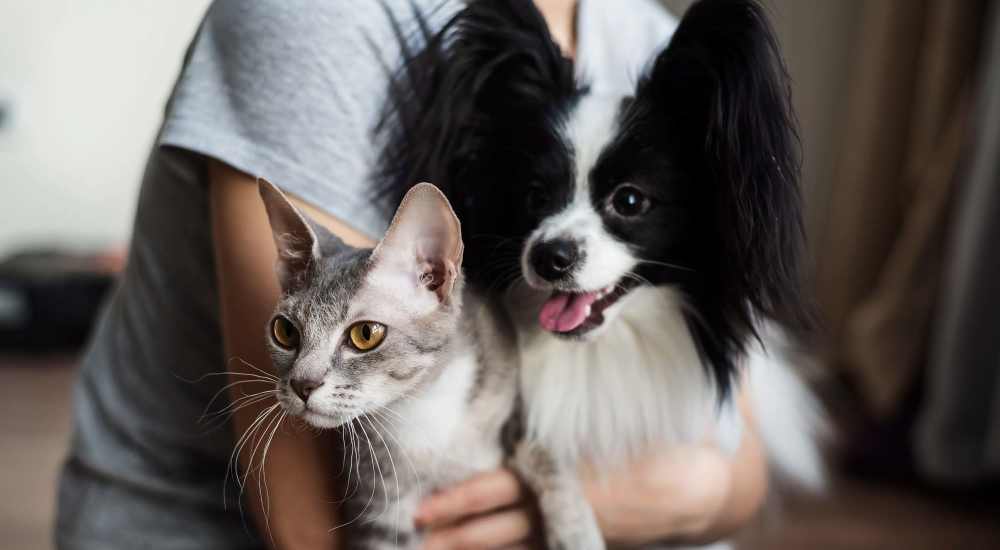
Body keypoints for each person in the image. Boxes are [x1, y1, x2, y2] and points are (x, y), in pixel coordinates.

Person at [55, 1, 768, 548]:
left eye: (630, 204)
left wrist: (680, 491)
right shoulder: (316, 20)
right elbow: (316, 529)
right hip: (211, 526)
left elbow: (738, 476)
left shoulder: (642, 32)